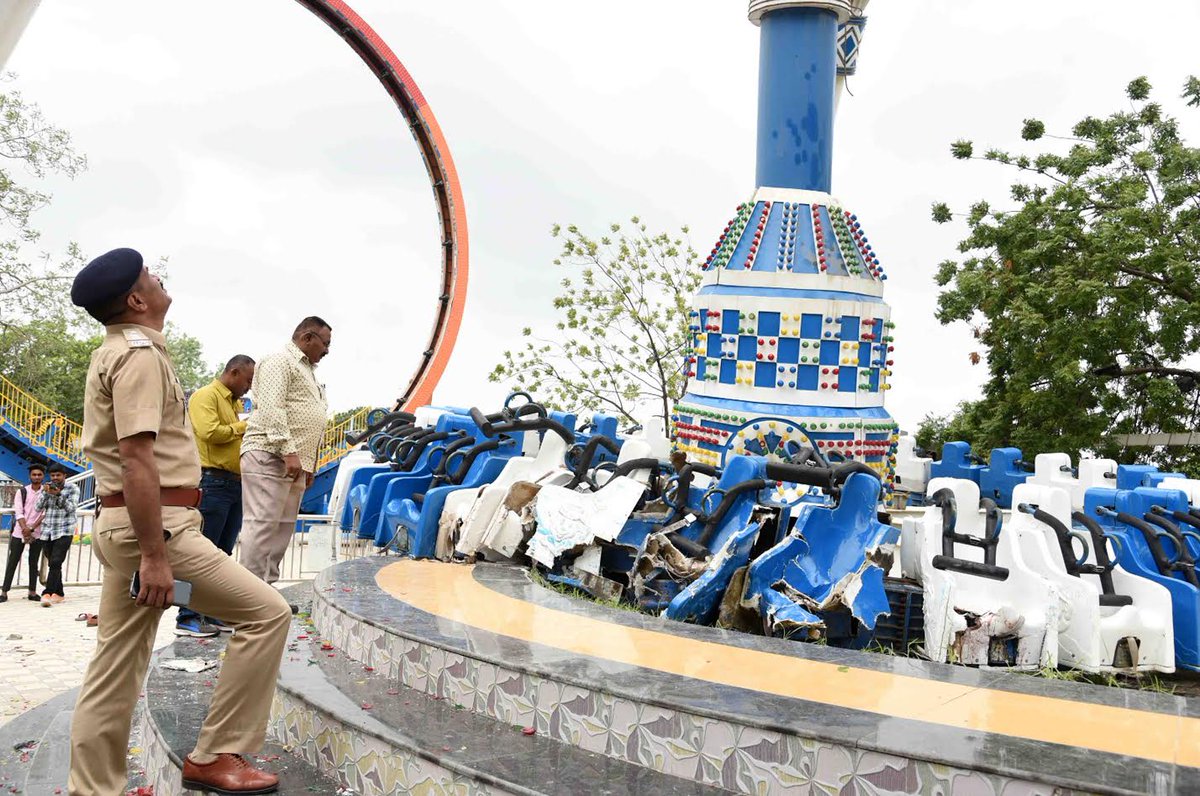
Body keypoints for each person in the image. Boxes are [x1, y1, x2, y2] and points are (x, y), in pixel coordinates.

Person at [68, 247, 290, 795]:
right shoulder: (140, 355)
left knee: (115, 664)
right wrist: (155, 556)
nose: (158, 275)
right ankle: (216, 755)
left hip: (128, 526)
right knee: (267, 614)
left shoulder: (114, 351)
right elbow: (137, 457)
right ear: (138, 300)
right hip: (158, 530)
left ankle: (92, 788)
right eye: (149, 275)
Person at [239, 316, 330, 584]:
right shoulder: (279, 361)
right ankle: (248, 598)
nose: (327, 351)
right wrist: (289, 451)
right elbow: (272, 407)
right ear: (307, 338)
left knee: (281, 530)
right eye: (325, 344)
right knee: (262, 527)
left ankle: (265, 592)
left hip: (293, 462)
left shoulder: (308, 371)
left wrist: (308, 463)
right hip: (270, 455)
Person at [175, 353, 256, 638]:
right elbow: (210, 433)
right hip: (212, 483)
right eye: (248, 380)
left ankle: (210, 613)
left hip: (233, 485)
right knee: (199, 554)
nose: (249, 386)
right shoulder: (205, 396)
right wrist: (245, 425)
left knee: (221, 555)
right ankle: (186, 617)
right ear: (233, 372)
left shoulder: (233, 404)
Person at [35, 463, 79, 606]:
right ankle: (59, 593)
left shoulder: (72, 488)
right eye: (53, 475)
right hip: (48, 530)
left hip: (65, 529)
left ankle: (47, 593)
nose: (55, 478)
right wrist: (47, 494)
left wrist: (58, 494)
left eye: (58, 475)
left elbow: (71, 508)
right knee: (54, 563)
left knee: (56, 561)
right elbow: (38, 507)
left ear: (64, 476)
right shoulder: (46, 487)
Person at [1, 464, 46, 603]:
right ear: (30, 476)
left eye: (39, 474)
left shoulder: (46, 492)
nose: (37, 477)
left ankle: (32, 592)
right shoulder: (22, 492)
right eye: (34, 474)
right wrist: (25, 528)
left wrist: (31, 529)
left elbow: (44, 513)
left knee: (33, 562)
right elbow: (19, 511)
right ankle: (4, 592)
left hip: (37, 532)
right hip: (19, 532)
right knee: (12, 561)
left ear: (43, 476)